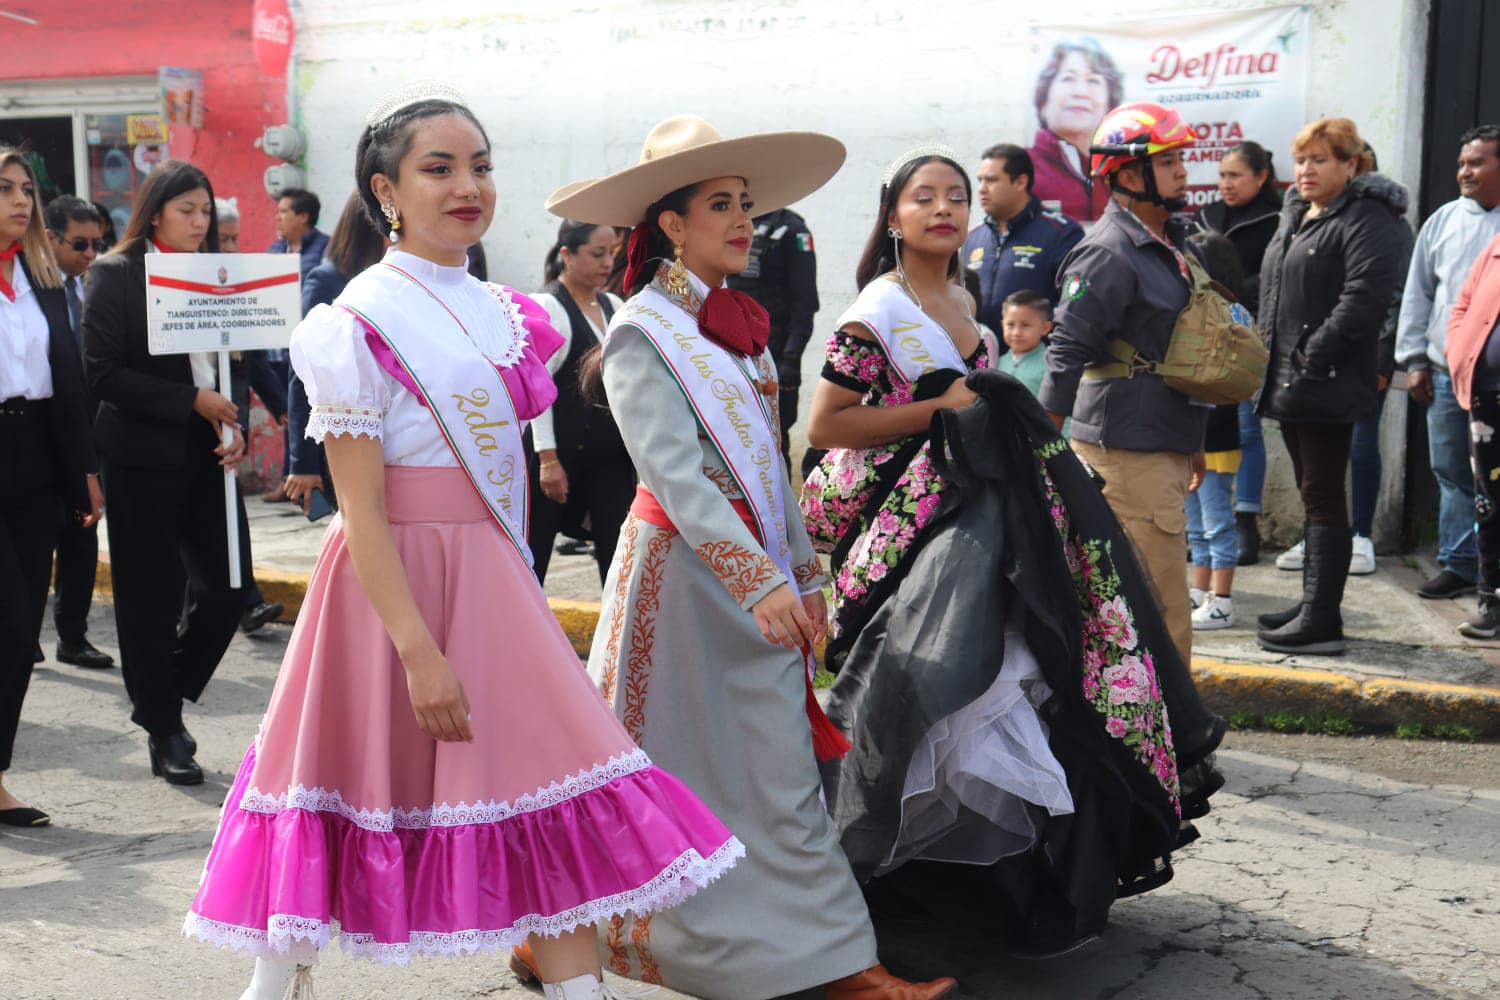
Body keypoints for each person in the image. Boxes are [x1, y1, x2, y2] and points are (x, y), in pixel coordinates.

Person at [184, 85, 741, 1000]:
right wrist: (417, 650)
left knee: (549, 785)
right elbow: (360, 511)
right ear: (386, 189)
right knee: (336, 777)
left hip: (493, 581)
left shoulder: (511, 312)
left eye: (479, 165)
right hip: (388, 586)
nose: (466, 185)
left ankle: (578, 990)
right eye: (437, 168)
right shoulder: (356, 319)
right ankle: (274, 984)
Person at [550, 115, 956, 1000]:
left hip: (759, 580)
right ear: (669, 223)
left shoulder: (737, 331)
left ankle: (834, 962)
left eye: (745, 203)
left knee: (771, 779)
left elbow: (772, 469)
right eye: (720, 205)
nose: (743, 220)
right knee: (666, 783)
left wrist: (806, 574)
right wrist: (760, 580)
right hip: (682, 591)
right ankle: (571, 940)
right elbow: (681, 482)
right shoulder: (643, 333)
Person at [803, 143, 1217, 958]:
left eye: (957, 196)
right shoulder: (877, 311)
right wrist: (943, 411)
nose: (944, 209)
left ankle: (995, 880)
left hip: (988, 519)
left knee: (1018, 678)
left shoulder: (966, 298)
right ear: (893, 217)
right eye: (923, 197)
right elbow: (826, 426)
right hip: (912, 527)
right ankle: (873, 871)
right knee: (922, 684)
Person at [83, 160, 248, 786]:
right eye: (188, 211)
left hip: (211, 451)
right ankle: (165, 729)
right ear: (155, 213)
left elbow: (228, 365)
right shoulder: (115, 274)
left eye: (206, 212)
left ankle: (159, 695)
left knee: (229, 589)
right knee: (149, 599)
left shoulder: (219, 274)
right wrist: (190, 403)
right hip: (141, 457)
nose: (201, 223)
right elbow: (102, 374)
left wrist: (234, 424)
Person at [1040, 101, 1208, 668]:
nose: (1184, 169)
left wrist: (1192, 441)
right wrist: (1042, 450)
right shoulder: (1108, 253)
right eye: (1171, 159)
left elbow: (1168, 352)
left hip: (1160, 445)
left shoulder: (1167, 244)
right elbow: (1065, 353)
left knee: (1151, 606)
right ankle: (1175, 749)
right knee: (1161, 610)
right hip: (1125, 457)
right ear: (1131, 175)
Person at [1254, 118, 1406, 655]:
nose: (1307, 169)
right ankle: (1314, 605)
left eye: (1321, 159)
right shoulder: (1301, 213)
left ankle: (1322, 621)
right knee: (1313, 493)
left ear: (1352, 164)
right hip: (1293, 379)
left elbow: (1367, 297)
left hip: (1326, 378)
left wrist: (1311, 355)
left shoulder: (1368, 217)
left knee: (1322, 495)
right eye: (1302, 160)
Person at [0, 150, 102, 828]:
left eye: (26, 189)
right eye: (4, 189)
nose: (20, 200)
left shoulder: (40, 277)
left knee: (19, 634)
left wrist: (85, 475)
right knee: (7, 624)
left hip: (34, 457)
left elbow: (68, 388)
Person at [1396, 125, 1500, 600]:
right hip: (1443, 372)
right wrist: (1415, 359)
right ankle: (1460, 563)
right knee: (1452, 470)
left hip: (1493, 382)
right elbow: (1417, 294)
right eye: (1462, 163)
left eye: (1476, 162)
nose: (1464, 171)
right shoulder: (1442, 222)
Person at [526, 219, 632, 584]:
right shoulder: (548, 307)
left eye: (611, 254)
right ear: (567, 255)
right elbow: (535, 389)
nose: (606, 263)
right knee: (534, 551)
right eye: (596, 254)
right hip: (557, 452)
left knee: (617, 550)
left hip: (607, 455)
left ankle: (619, 636)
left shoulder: (614, 305)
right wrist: (548, 458)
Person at [1193, 140, 1283, 565]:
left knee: (1247, 431)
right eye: (1222, 175)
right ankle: (1205, 528)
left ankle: (1245, 519)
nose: (1225, 184)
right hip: (1202, 334)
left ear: (1261, 176)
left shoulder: (1276, 219)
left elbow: (1274, 277)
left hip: (1250, 334)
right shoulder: (1205, 215)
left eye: (1235, 176)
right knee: (1205, 427)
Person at [210, 196, 287, 636]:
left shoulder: (239, 289)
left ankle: (245, 603)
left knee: (227, 511)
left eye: (237, 238)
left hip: (233, 420)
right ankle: (242, 601)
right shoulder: (178, 293)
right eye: (226, 238)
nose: (234, 247)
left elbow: (254, 360)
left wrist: (281, 410)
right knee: (218, 515)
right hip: (195, 422)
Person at [42, 195, 113, 669]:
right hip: (33, 432)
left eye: (97, 243)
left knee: (81, 535)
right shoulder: (29, 287)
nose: (90, 253)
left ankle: (73, 635)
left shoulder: (94, 288)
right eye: (80, 243)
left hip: (84, 432)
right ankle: (23, 635)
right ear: (50, 239)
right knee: (29, 542)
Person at [283, 191, 386, 515]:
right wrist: (302, 463)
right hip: (346, 436)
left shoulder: (395, 283)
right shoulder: (328, 279)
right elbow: (304, 375)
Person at [1183, 232, 1250, 630]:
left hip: (1217, 436)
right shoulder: (1201, 308)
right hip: (1194, 434)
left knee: (1216, 521)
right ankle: (1199, 590)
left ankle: (1221, 600)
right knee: (1196, 523)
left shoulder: (1231, 314)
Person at [726, 205, 819, 463]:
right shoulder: (735, 224)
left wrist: (791, 359)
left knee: (773, 442)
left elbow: (805, 305)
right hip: (732, 352)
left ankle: (778, 502)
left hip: (775, 355)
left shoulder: (792, 230)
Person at [964, 144, 1084, 333]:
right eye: (980, 180)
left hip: (1040, 359)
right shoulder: (972, 238)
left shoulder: (1062, 233)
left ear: (1020, 182)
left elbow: (1075, 304)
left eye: (991, 180)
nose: (981, 189)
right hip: (982, 358)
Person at [1446, 231, 1500, 636]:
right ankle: (1491, 603)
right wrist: (1458, 348)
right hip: (1486, 396)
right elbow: (1462, 303)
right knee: (1489, 502)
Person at [262, 188, 330, 503]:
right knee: (291, 414)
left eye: (284, 211)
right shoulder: (275, 252)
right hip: (276, 349)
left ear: (303, 216)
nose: (278, 218)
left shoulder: (326, 250)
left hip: (312, 350)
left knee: (313, 415)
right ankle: (292, 479)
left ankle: (315, 489)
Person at [1026, 38, 1123, 223]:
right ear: (1043, 99)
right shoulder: (1024, 168)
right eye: (1068, 78)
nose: (1080, 92)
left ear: (1109, 103)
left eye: (1093, 80)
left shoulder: (1120, 171)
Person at [996, 289, 1052, 397]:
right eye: (1010, 325)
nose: (1016, 333)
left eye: (1025, 325)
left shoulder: (1051, 365)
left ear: (1045, 328)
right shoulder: (998, 362)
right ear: (1003, 325)